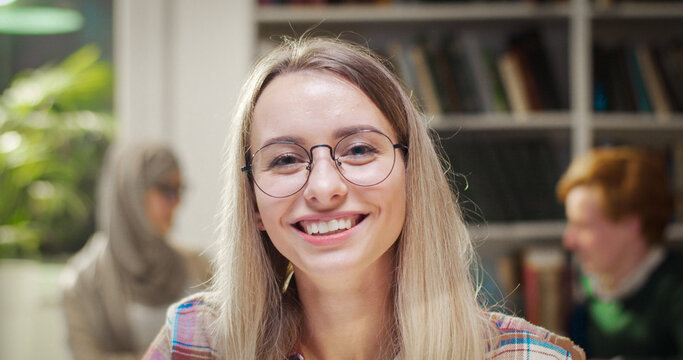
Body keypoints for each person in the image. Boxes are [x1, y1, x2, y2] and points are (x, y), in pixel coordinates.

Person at [144, 36, 584, 360]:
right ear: (254, 203)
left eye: (358, 150)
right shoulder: (193, 342)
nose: (323, 187)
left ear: (413, 176)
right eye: (284, 159)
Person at [60, 142, 211, 359]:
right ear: (131, 191)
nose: (176, 202)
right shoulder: (81, 283)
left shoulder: (199, 265)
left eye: (179, 190)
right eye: (166, 190)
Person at [557, 146, 682, 359]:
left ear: (631, 225)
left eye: (584, 226)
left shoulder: (675, 293)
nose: (568, 241)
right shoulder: (590, 289)